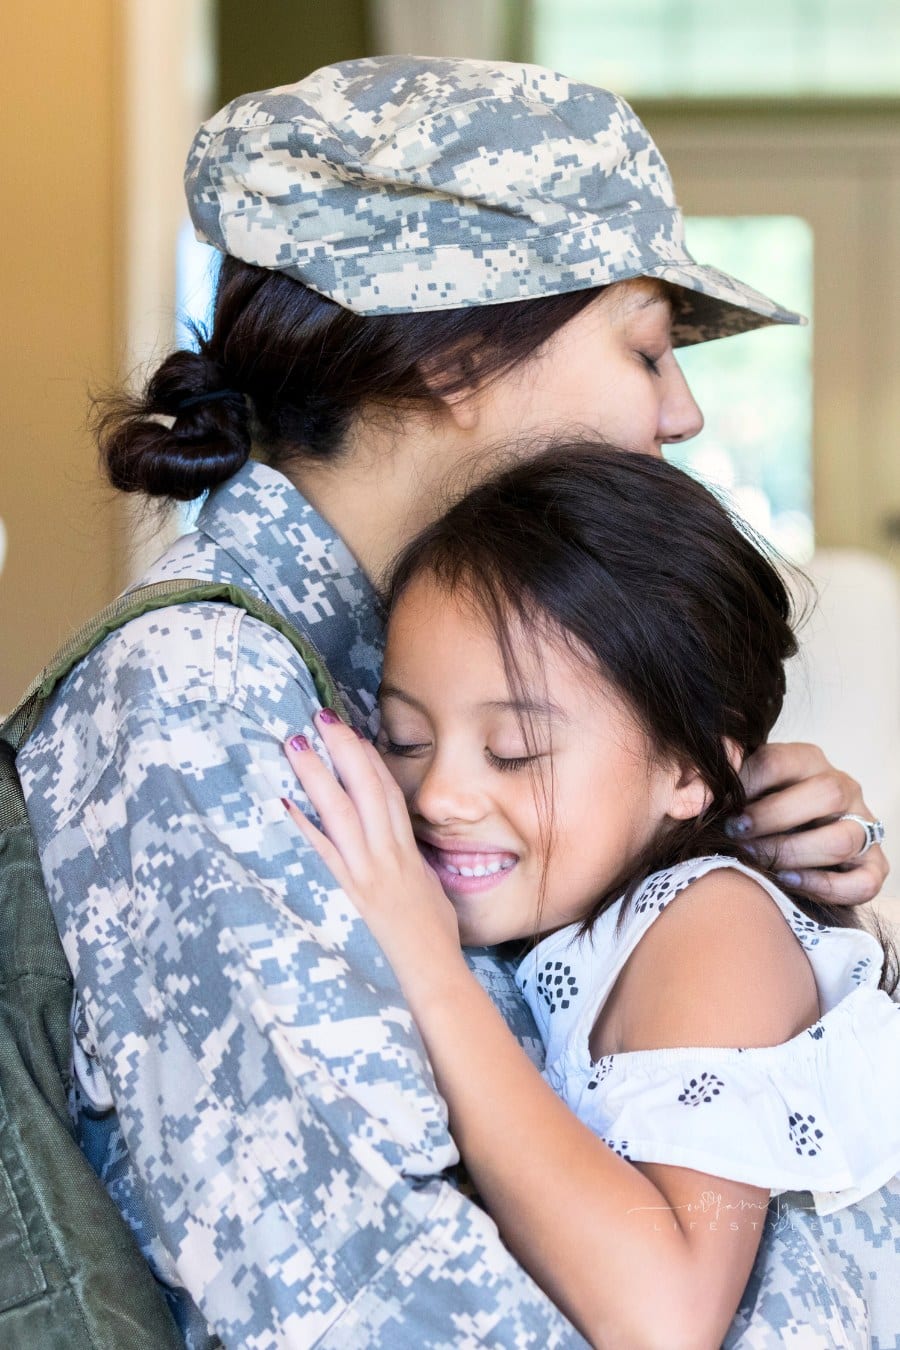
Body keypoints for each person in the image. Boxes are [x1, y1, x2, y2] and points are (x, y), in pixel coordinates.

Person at [18, 56, 887, 1347]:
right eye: (647, 347)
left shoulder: (386, 662)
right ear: (460, 350)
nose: (686, 410)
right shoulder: (205, 697)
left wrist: (730, 860)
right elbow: (370, 1300)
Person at [282, 444, 900, 1349]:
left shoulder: (710, 921)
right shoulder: (572, 916)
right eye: (407, 738)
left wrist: (428, 969)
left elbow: (666, 1318)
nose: (439, 796)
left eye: (514, 753)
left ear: (687, 770)